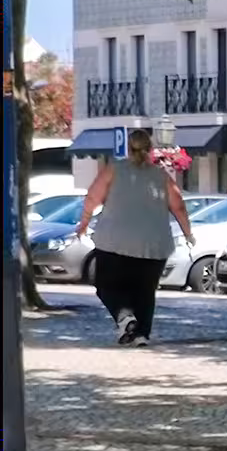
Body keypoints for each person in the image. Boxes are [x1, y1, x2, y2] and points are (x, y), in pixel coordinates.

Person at [76, 128, 195, 347]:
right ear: (150, 150)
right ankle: (141, 334)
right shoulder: (161, 176)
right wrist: (188, 233)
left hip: (114, 240)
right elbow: (178, 205)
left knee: (106, 285)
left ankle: (124, 316)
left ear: (128, 148)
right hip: (154, 243)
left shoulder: (114, 170)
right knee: (145, 291)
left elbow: (92, 197)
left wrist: (83, 224)